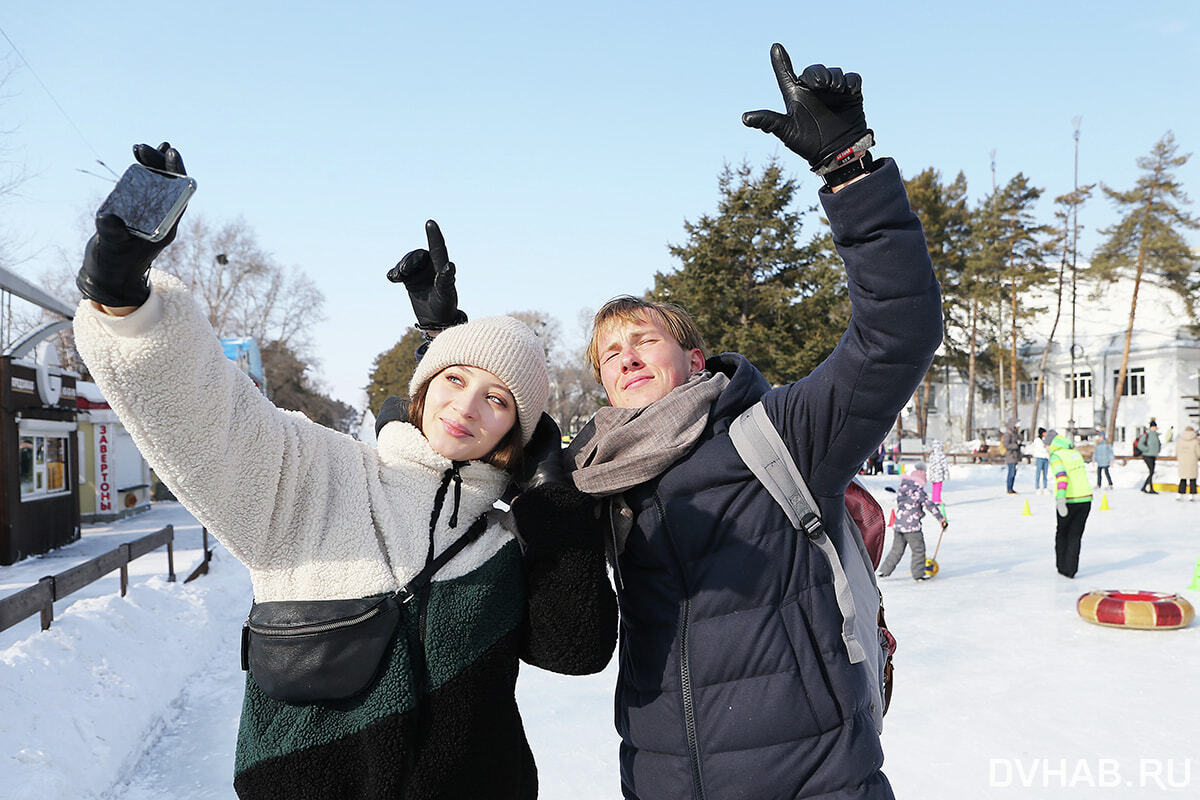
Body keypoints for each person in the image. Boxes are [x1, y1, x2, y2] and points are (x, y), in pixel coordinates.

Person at [71, 143, 617, 800]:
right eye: (452, 378)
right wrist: (124, 301)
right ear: (420, 388)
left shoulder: (507, 537)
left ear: (517, 432)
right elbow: (210, 415)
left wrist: (554, 502)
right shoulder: (319, 478)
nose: (466, 405)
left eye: (497, 400)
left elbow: (576, 649)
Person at [877, 463, 946, 581]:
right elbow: (930, 505)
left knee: (896, 549)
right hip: (912, 527)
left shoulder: (902, 489)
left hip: (899, 525)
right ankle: (918, 574)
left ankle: (884, 571)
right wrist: (941, 519)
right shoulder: (918, 491)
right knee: (918, 549)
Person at [1044, 430, 1093, 578]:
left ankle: (1062, 567)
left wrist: (1060, 499)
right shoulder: (1074, 453)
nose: (1046, 448)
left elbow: (1062, 478)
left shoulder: (1056, 456)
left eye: (1046, 445)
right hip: (1085, 498)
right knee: (1075, 535)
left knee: (1062, 533)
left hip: (1069, 499)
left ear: (1051, 444)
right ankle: (1071, 569)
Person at [1175, 425, 1199, 501]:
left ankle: (1179, 494)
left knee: (1183, 478)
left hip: (1182, 461)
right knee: (1192, 479)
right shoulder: (1195, 441)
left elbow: (1177, 451)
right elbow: (1198, 453)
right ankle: (1191, 495)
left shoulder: (1180, 440)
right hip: (1192, 461)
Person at [1138, 420, 1162, 493]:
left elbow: (1158, 444)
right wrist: (1146, 449)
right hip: (1147, 455)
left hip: (1153, 455)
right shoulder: (1147, 434)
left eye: (1155, 426)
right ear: (1151, 427)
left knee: (1151, 472)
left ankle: (1150, 488)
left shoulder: (1156, 435)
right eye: (1154, 426)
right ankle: (1145, 487)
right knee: (1151, 472)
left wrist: (1158, 450)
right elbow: (1140, 444)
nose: (1155, 428)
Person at [1003, 417, 1022, 494]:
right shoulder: (1008, 433)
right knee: (1011, 472)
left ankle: (1011, 488)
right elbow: (1006, 445)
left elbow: (1019, 440)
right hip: (1010, 456)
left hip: (1015, 456)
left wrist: (1020, 435)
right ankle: (1009, 488)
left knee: (1014, 473)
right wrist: (1016, 445)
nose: (1018, 427)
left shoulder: (1015, 433)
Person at [926, 439, 948, 504]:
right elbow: (944, 464)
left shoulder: (932, 454)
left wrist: (931, 473)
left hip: (933, 473)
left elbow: (931, 464)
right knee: (938, 486)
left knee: (934, 486)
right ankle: (937, 499)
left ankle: (934, 499)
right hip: (939, 473)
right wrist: (946, 473)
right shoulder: (941, 455)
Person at [1031, 426, 1050, 494]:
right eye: (1045, 432)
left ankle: (1045, 487)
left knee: (1045, 474)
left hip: (1046, 458)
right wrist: (1046, 449)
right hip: (1040, 458)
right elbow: (1041, 449)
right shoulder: (1037, 440)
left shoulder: (1045, 439)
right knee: (1038, 473)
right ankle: (1037, 487)